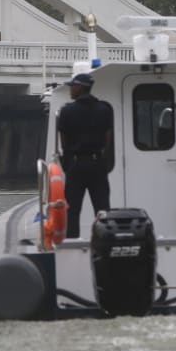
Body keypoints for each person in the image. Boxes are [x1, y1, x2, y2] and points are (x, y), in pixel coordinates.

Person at [57, 72, 113, 238]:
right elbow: (108, 139)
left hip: (76, 165)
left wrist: (69, 165)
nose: (70, 90)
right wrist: (103, 161)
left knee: (73, 211)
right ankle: (105, 240)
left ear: (80, 88)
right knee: (102, 209)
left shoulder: (67, 111)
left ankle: (72, 242)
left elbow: (64, 142)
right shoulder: (104, 109)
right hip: (97, 164)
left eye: (72, 86)